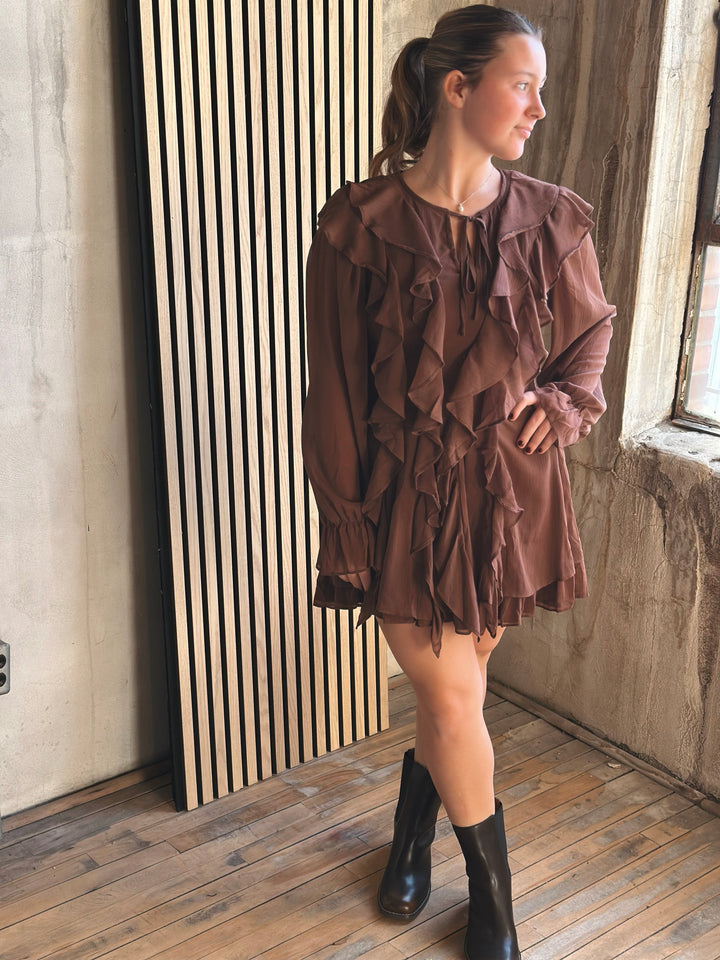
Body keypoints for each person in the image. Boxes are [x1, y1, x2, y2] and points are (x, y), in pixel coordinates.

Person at [301, 5, 614, 958]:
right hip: (397, 503)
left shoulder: (550, 217)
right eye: (523, 84)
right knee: (450, 701)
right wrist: (348, 522)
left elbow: (591, 335)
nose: (539, 109)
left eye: (541, 89)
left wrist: (559, 407)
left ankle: (413, 813)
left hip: (506, 500)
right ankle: (496, 907)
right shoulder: (359, 225)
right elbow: (336, 392)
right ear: (458, 86)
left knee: (458, 700)